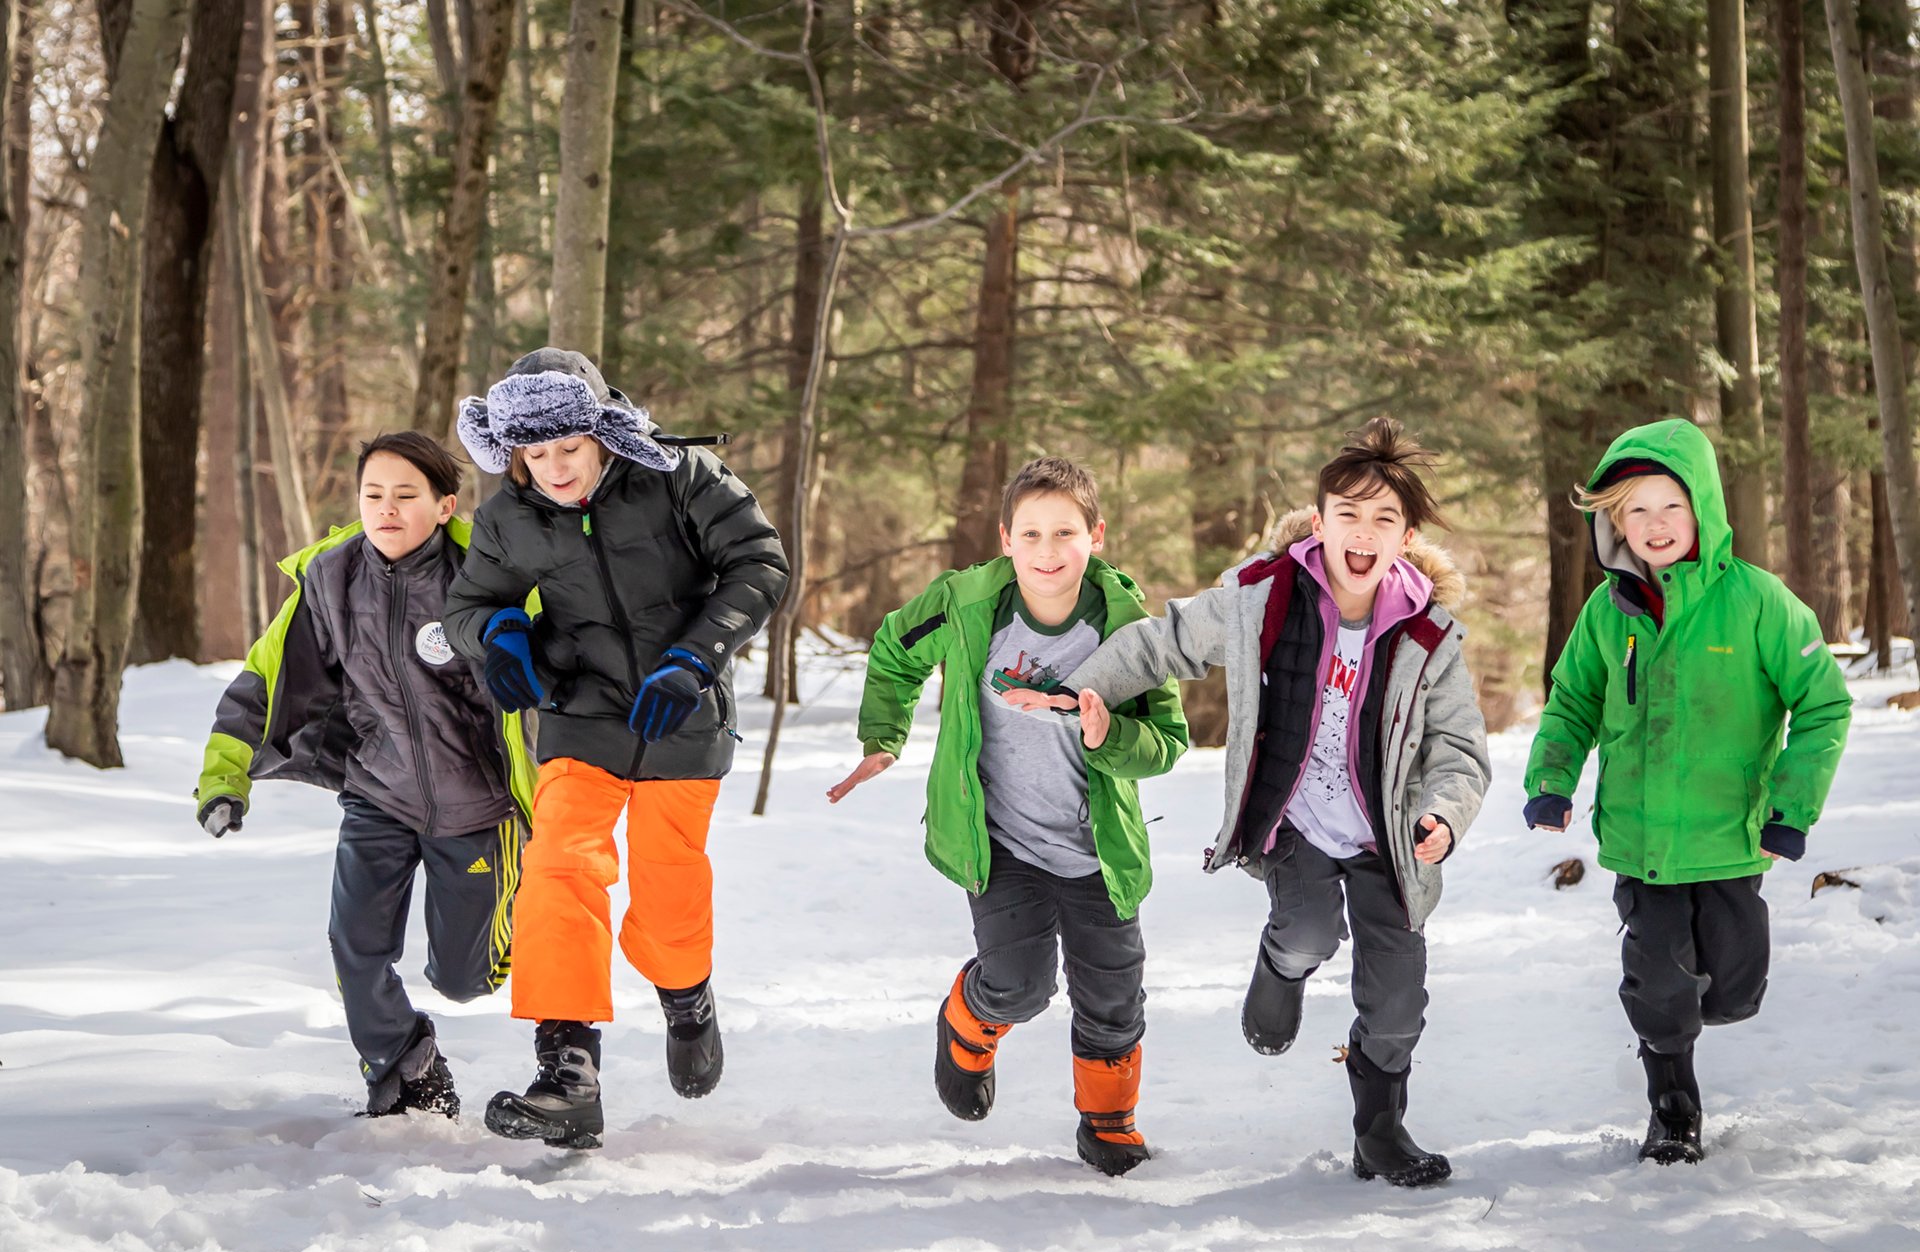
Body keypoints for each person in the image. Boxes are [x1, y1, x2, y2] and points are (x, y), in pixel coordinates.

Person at [1008, 419, 1489, 1188]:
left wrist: (1442, 813)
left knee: (1398, 1003)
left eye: (1385, 519)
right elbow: (1162, 642)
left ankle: (1381, 1131)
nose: (1363, 533)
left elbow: (1459, 748)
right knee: (1308, 930)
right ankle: (1281, 965)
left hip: (1389, 841)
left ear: (1407, 535)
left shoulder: (1430, 634)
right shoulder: (1265, 598)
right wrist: (1085, 686)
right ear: (1321, 518)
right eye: (1349, 514)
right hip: (1293, 822)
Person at [445, 347, 787, 1150]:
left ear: (601, 431)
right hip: (581, 711)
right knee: (561, 865)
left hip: (679, 709)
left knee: (667, 889)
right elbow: (472, 603)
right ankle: (567, 1069)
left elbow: (758, 561)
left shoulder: (680, 474)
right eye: (536, 455)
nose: (556, 469)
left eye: (570, 448)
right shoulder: (508, 517)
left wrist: (697, 656)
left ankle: (686, 995)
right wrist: (498, 637)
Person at [829, 456, 1188, 1176]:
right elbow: (898, 649)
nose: (1048, 552)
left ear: (1097, 535)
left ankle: (1108, 1122)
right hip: (1002, 844)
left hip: (1097, 851)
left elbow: (1167, 743)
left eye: (1065, 533)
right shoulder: (968, 604)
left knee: (1113, 997)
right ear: (1005, 539)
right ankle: (967, 1024)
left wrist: (1106, 735)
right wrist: (883, 737)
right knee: (1020, 985)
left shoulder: (1127, 630)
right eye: (1031, 534)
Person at [1523, 417, 1851, 1165]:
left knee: (1734, 990)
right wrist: (1550, 780)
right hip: (1641, 845)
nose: (1656, 524)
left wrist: (1791, 808)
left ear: (1702, 505)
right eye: (1636, 510)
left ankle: (1684, 1015)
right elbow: (1572, 701)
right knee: (1658, 982)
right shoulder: (1608, 615)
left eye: (1670, 505)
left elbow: (1824, 702)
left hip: (1731, 838)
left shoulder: (1759, 603)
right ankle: (1672, 1101)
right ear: (1615, 523)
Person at [196, 431, 534, 1118]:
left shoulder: (484, 574)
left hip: (477, 806)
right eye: (373, 494)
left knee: (463, 979)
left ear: (444, 506)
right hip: (378, 795)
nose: (386, 509)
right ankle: (405, 1064)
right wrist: (225, 778)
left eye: (406, 495)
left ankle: (479, 953)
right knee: (356, 945)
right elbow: (266, 678)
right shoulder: (331, 576)